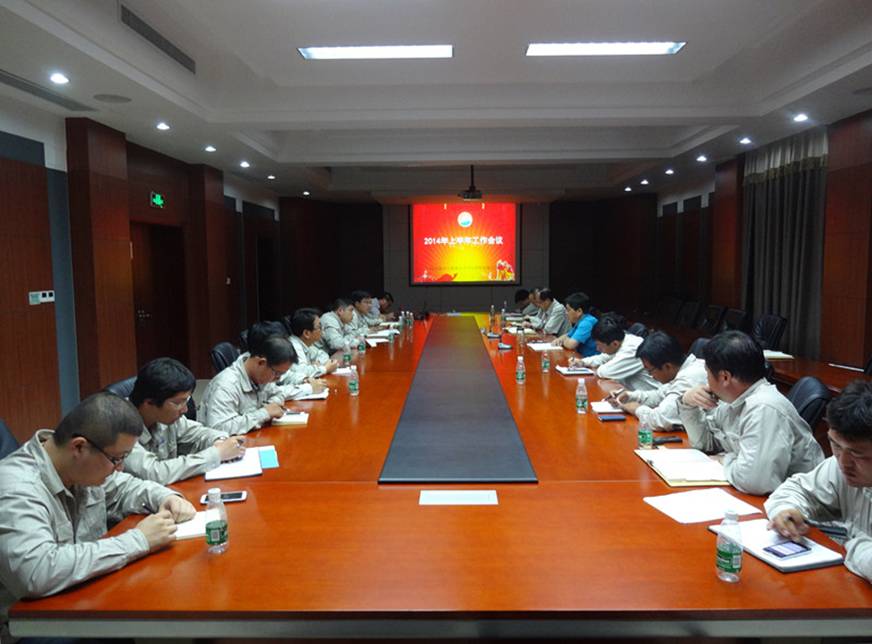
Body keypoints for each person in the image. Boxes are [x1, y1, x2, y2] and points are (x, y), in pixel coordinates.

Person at [0, 393, 196, 642]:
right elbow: (37, 572)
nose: (119, 467)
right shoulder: (15, 487)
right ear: (79, 447)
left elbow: (125, 487)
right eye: (116, 459)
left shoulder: (78, 466)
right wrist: (138, 540)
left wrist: (167, 497)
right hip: (31, 626)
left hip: (83, 598)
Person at [679, 331, 823, 495]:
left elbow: (755, 482)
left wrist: (725, 459)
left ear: (725, 377)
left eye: (707, 373)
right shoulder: (733, 400)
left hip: (797, 504)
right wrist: (687, 404)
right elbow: (706, 444)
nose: (707, 381)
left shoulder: (764, 408)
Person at [766, 380, 872, 583]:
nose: (843, 462)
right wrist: (786, 510)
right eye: (835, 445)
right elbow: (797, 489)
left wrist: (853, 543)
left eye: (858, 454)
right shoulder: (840, 465)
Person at [124, 357, 245, 484]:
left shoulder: (166, 417)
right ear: (149, 403)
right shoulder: (121, 427)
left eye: (186, 401)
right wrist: (217, 454)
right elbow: (155, 473)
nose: (185, 410)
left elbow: (199, 433)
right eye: (177, 403)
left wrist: (219, 441)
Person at [198, 328, 294, 435]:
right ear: (261, 363)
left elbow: (278, 393)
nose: (278, 378)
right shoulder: (226, 385)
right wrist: (264, 413)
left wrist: (270, 405)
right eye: (277, 373)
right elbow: (219, 428)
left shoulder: (261, 377)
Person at [615, 331, 708, 429]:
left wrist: (637, 409)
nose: (650, 375)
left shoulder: (689, 378)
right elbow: (660, 395)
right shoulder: (684, 369)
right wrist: (630, 396)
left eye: (650, 370)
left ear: (667, 366)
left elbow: (660, 420)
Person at [581, 315, 658, 391]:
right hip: (629, 392)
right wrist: (582, 362)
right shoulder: (620, 341)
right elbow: (603, 357)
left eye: (599, 345)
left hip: (650, 397)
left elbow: (606, 372)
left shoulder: (633, 349)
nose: (597, 349)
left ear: (615, 344)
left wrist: (595, 370)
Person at [286, 308, 339, 383]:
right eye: (319, 327)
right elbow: (301, 372)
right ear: (306, 333)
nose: (322, 330)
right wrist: (325, 368)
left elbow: (324, 355)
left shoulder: (306, 343)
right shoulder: (293, 346)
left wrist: (314, 366)